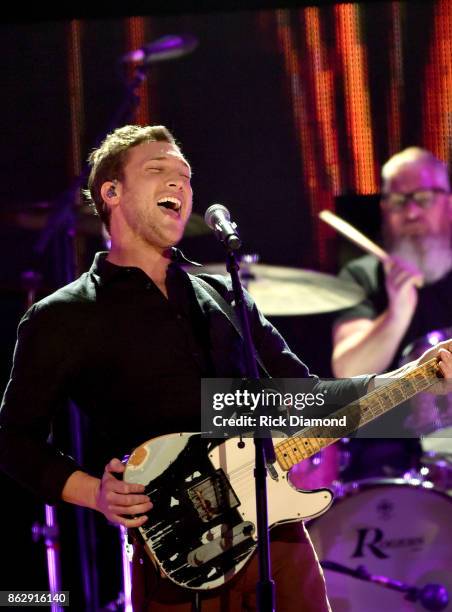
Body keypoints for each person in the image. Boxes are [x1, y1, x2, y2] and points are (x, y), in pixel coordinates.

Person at [1, 128, 451, 611]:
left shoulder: (223, 295)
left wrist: (416, 375)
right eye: (158, 171)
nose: (179, 184)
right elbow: (14, 440)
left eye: (186, 177)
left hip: (275, 533)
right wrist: (97, 494)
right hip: (178, 553)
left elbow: (306, 396)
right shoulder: (64, 315)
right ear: (112, 192)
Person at [331, 147, 452, 477]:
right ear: (384, 209)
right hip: (389, 470)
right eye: (398, 200)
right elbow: (348, 371)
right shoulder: (363, 275)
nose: (410, 211)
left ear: (449, 202)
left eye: (423, 197)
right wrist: (397, 313)